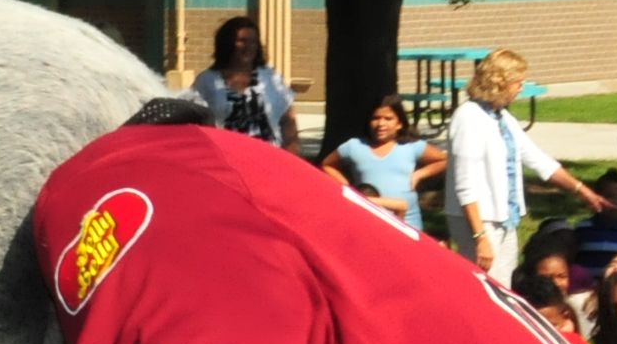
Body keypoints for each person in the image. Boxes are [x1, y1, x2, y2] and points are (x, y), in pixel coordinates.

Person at [445, 49, 605, 283]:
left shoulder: (501, 117)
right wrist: (480, 237)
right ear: (499, 82)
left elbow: (538, 160)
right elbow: (465, 185)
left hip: (505, 217)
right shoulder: (468, 118)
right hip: (479, 221)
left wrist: (582, 190)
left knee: (505, 286)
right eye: (517, 82)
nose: (521, 87)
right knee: (484, 285)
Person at [323, 97, 441, 230]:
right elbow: (327, 164)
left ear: (399, 123)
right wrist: (348, 187)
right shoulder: (354, 147)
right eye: (375, 118)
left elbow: (443, 159)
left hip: (408, 222)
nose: (381, 124)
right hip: (369, 221)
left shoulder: (411, 146)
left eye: (388, 119)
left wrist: (420, 174)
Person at [189, 17, 299, 153]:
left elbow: (288, 120)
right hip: (226, 157)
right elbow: (193, 122)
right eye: (242, 41)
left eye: (253, 42)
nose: (248, 47)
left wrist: (291, 154)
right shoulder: (207, 80)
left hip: (269, 157)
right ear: (228, 44)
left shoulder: (271, 77)